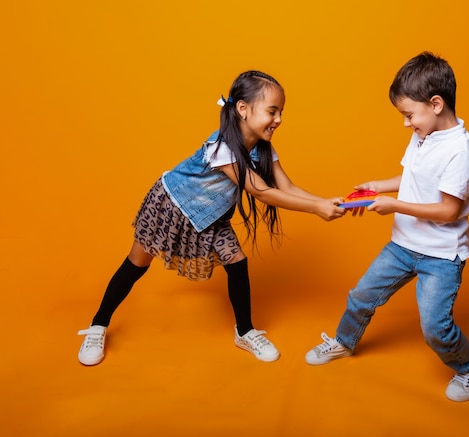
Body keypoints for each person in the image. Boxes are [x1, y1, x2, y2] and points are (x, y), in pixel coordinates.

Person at [78, 70, 346, 366]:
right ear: (243, 108)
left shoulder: (261, 148)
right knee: (136, 263)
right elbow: (261, 192)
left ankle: (245, 332)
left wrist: (323, 201)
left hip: (210, 216)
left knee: (237, 261)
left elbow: (286, 187)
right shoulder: (223, 146)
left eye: (281, 112)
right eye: (272, 111)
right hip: (172, 205)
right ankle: (97, 325)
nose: (279, 119)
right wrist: (315, 210)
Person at [304, 52, 469, 402]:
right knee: (360, 296)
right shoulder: (424, 133)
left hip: (441, 257)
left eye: (408, 115)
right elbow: (412, 177)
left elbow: (449, 211)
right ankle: (344, 342)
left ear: (435, 104)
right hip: (403, 246)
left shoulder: (460, 152)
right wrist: (378, 187)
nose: (405, 123)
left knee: (435, 328)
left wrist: (393, 205)